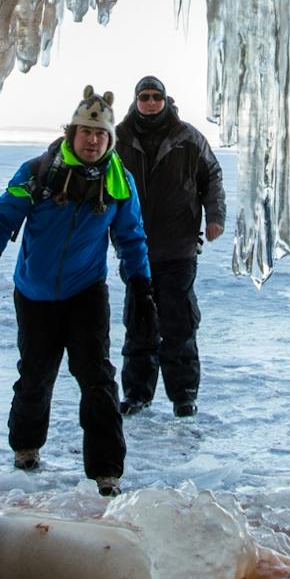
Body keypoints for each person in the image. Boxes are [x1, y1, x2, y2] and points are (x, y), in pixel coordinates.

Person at [0, 85, 151, 496]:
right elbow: (2, 218)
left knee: (97, 380)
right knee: (35, 376)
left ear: (110, 139)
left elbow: (131, 238)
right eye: (86, 132)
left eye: (101, 134)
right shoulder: (37, 171)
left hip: (86, 292)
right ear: (71, 133)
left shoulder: (120, 181)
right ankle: (26, 447)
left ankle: (106, 470)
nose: (93, 140)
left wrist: (141, 287)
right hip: (36, 293)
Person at [114, 74, 226, 418]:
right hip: (135, 249)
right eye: (144, 97)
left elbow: (212, 177)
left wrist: (215, 216)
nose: (149, 103)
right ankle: (136, 394)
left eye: (155, 97)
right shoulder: (119, 137)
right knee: (139, 322)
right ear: (136, 101)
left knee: (179, 323)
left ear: (165, 99)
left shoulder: (187, 138)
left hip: (178, 248)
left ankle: (184, 395)